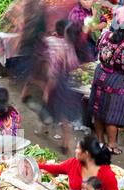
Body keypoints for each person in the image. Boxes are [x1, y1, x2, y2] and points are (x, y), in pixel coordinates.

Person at [88, 18, 124, 156]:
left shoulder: (105, 35)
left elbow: (98, 50)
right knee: (112, 115)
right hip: (116, 82)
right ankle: (111, 145)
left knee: (98, 111)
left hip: (100, 76)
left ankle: (100, 141)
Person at [41, 18, 84, 157]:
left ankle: (47, 128)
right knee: (66, 116)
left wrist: (47, 90)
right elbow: (75, 64)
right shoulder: (69, 44)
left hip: (58, 84)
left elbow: (52, 72)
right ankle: (65, 142)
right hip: (71, 82)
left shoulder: (52, 44)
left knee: (52, 108)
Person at [39, 136, 120, 190]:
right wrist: (36, 166)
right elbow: (55, 168)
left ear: (86, 153)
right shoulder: (73, 164)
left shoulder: (106, 174)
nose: (75, 151)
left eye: (78, 148)